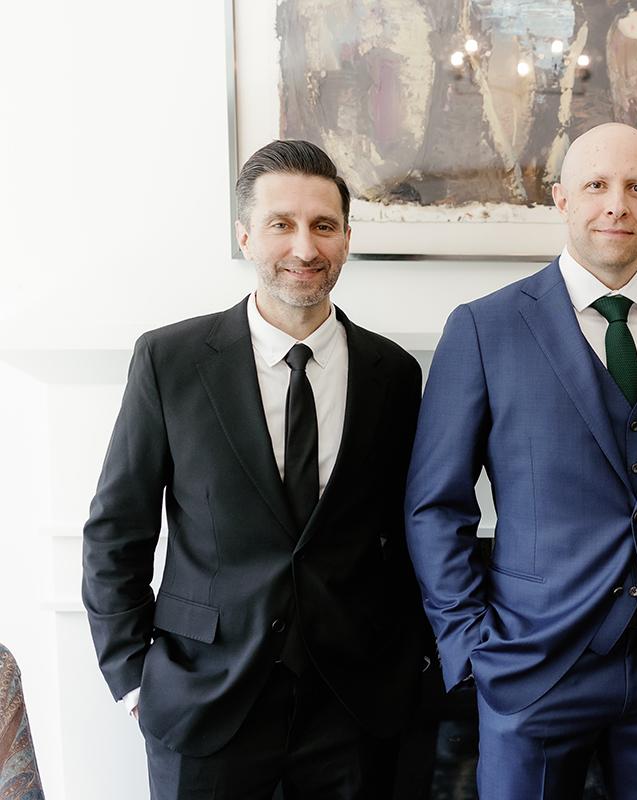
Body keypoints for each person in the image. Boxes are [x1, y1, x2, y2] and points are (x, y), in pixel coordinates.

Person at [404, 122, 637, 800]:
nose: (616, 204)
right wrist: (471, 643)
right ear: (561, 199)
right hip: (532, 664)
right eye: (596, 185)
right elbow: (435, 504)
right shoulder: (484, 327)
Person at [81, 139, 431, 799]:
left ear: (347, 239)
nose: (304, 247)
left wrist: (411, 664)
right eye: (282, 224)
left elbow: (408, 536)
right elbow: (115, 533)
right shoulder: (169, 360)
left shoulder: (393, 374)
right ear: (246, 236)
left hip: (353, 709)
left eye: (323, 226)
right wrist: (135, 679)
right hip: (202, 701)